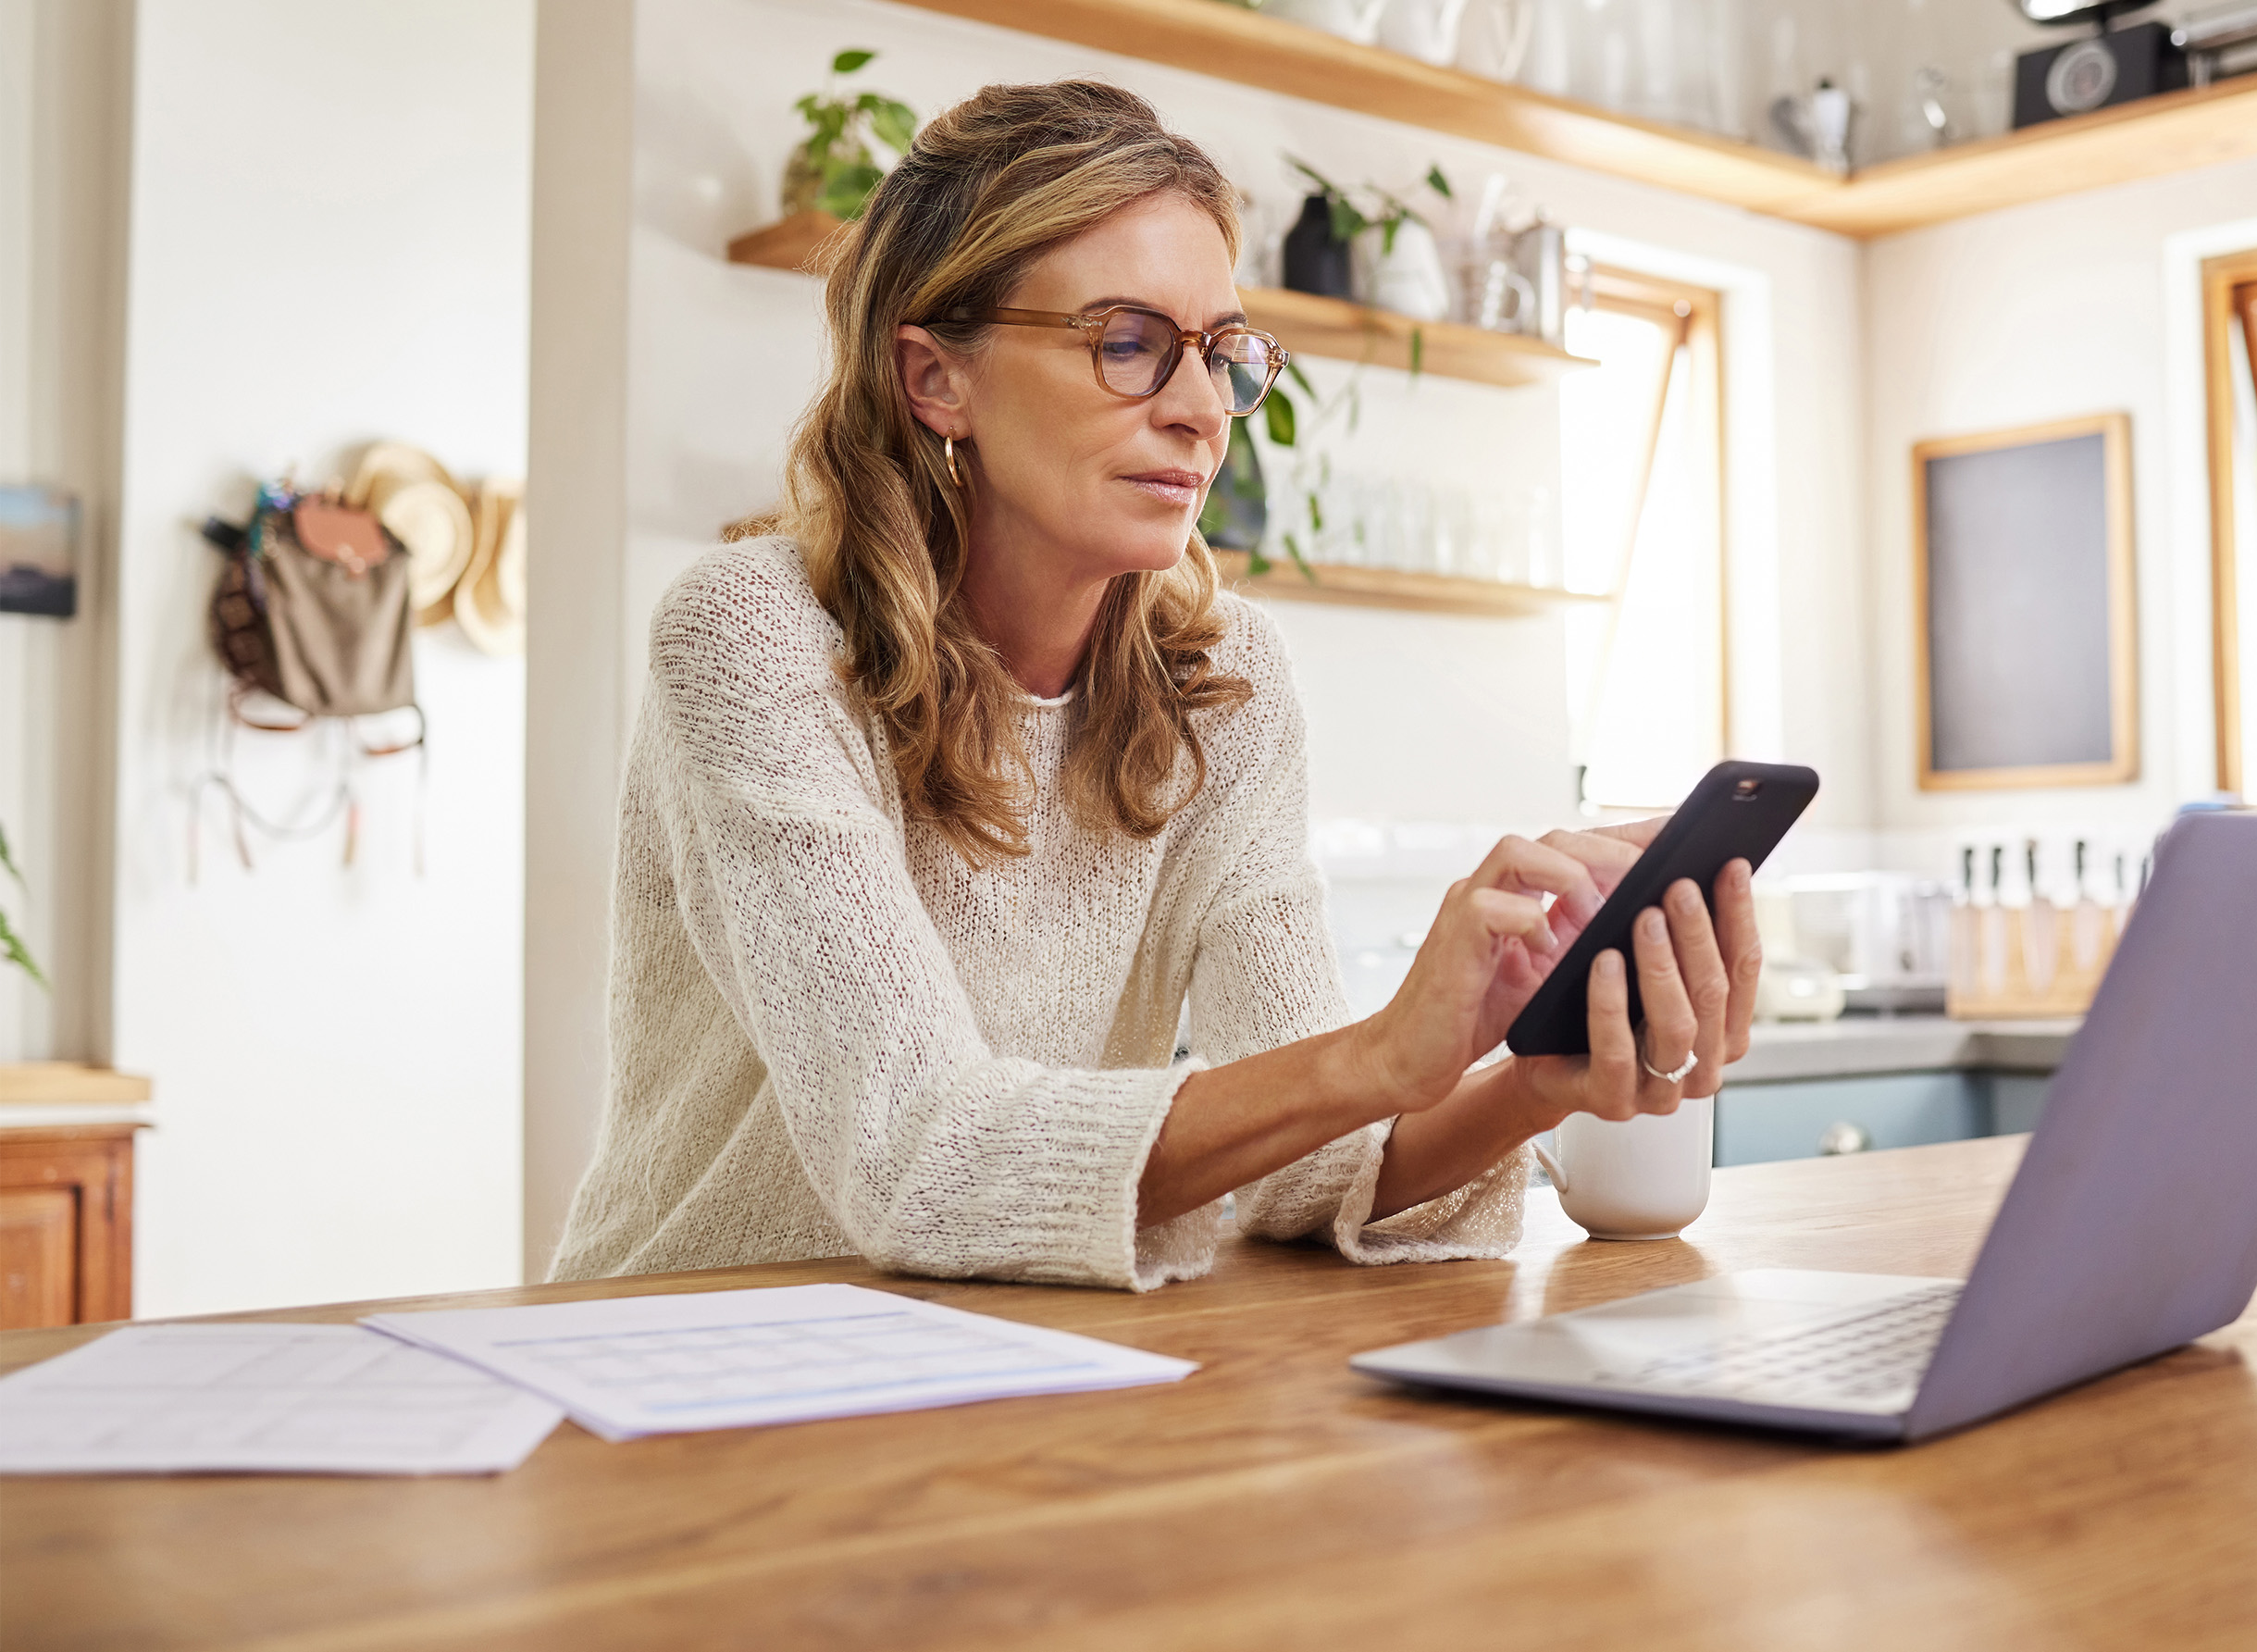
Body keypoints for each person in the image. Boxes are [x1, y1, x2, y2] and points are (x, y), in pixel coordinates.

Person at [551, 81, 1760, 1291]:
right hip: (678, 1363)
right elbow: (923, 1158)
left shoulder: (1221, 680)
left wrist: (1527, 1079)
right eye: (1126, 343)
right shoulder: (757, 636)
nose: (1197, 411)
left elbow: (1301, 1169)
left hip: (988, 1369)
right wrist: (1387, 1051)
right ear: (934, 378)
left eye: (1222, 353)